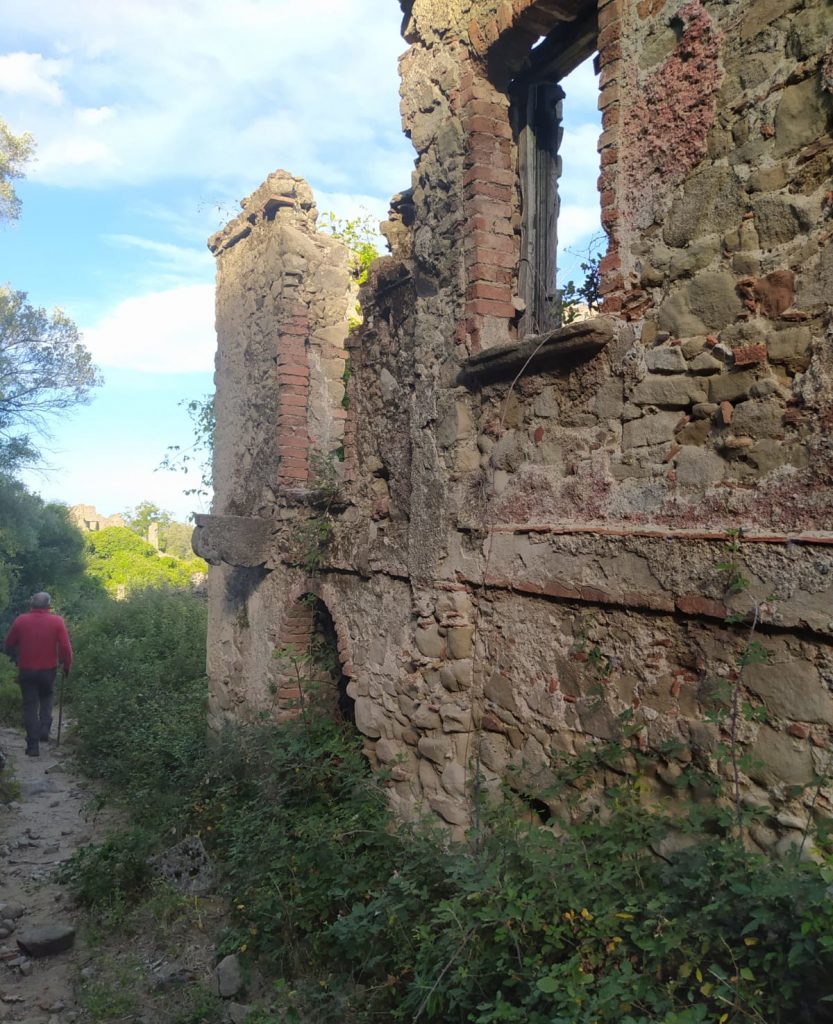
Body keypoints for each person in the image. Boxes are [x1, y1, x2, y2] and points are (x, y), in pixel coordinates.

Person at [4, 592, 73, 757]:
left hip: (26, 670)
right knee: (47, 697)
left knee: (30, 706)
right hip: (48, 670)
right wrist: (67, 665)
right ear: (49, 605)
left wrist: (14, 659)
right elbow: (65, 647)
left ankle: (33, 746)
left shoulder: (21, 620)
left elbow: (9, 644)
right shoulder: (57, 621)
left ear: (31, 605)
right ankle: (44, 728)